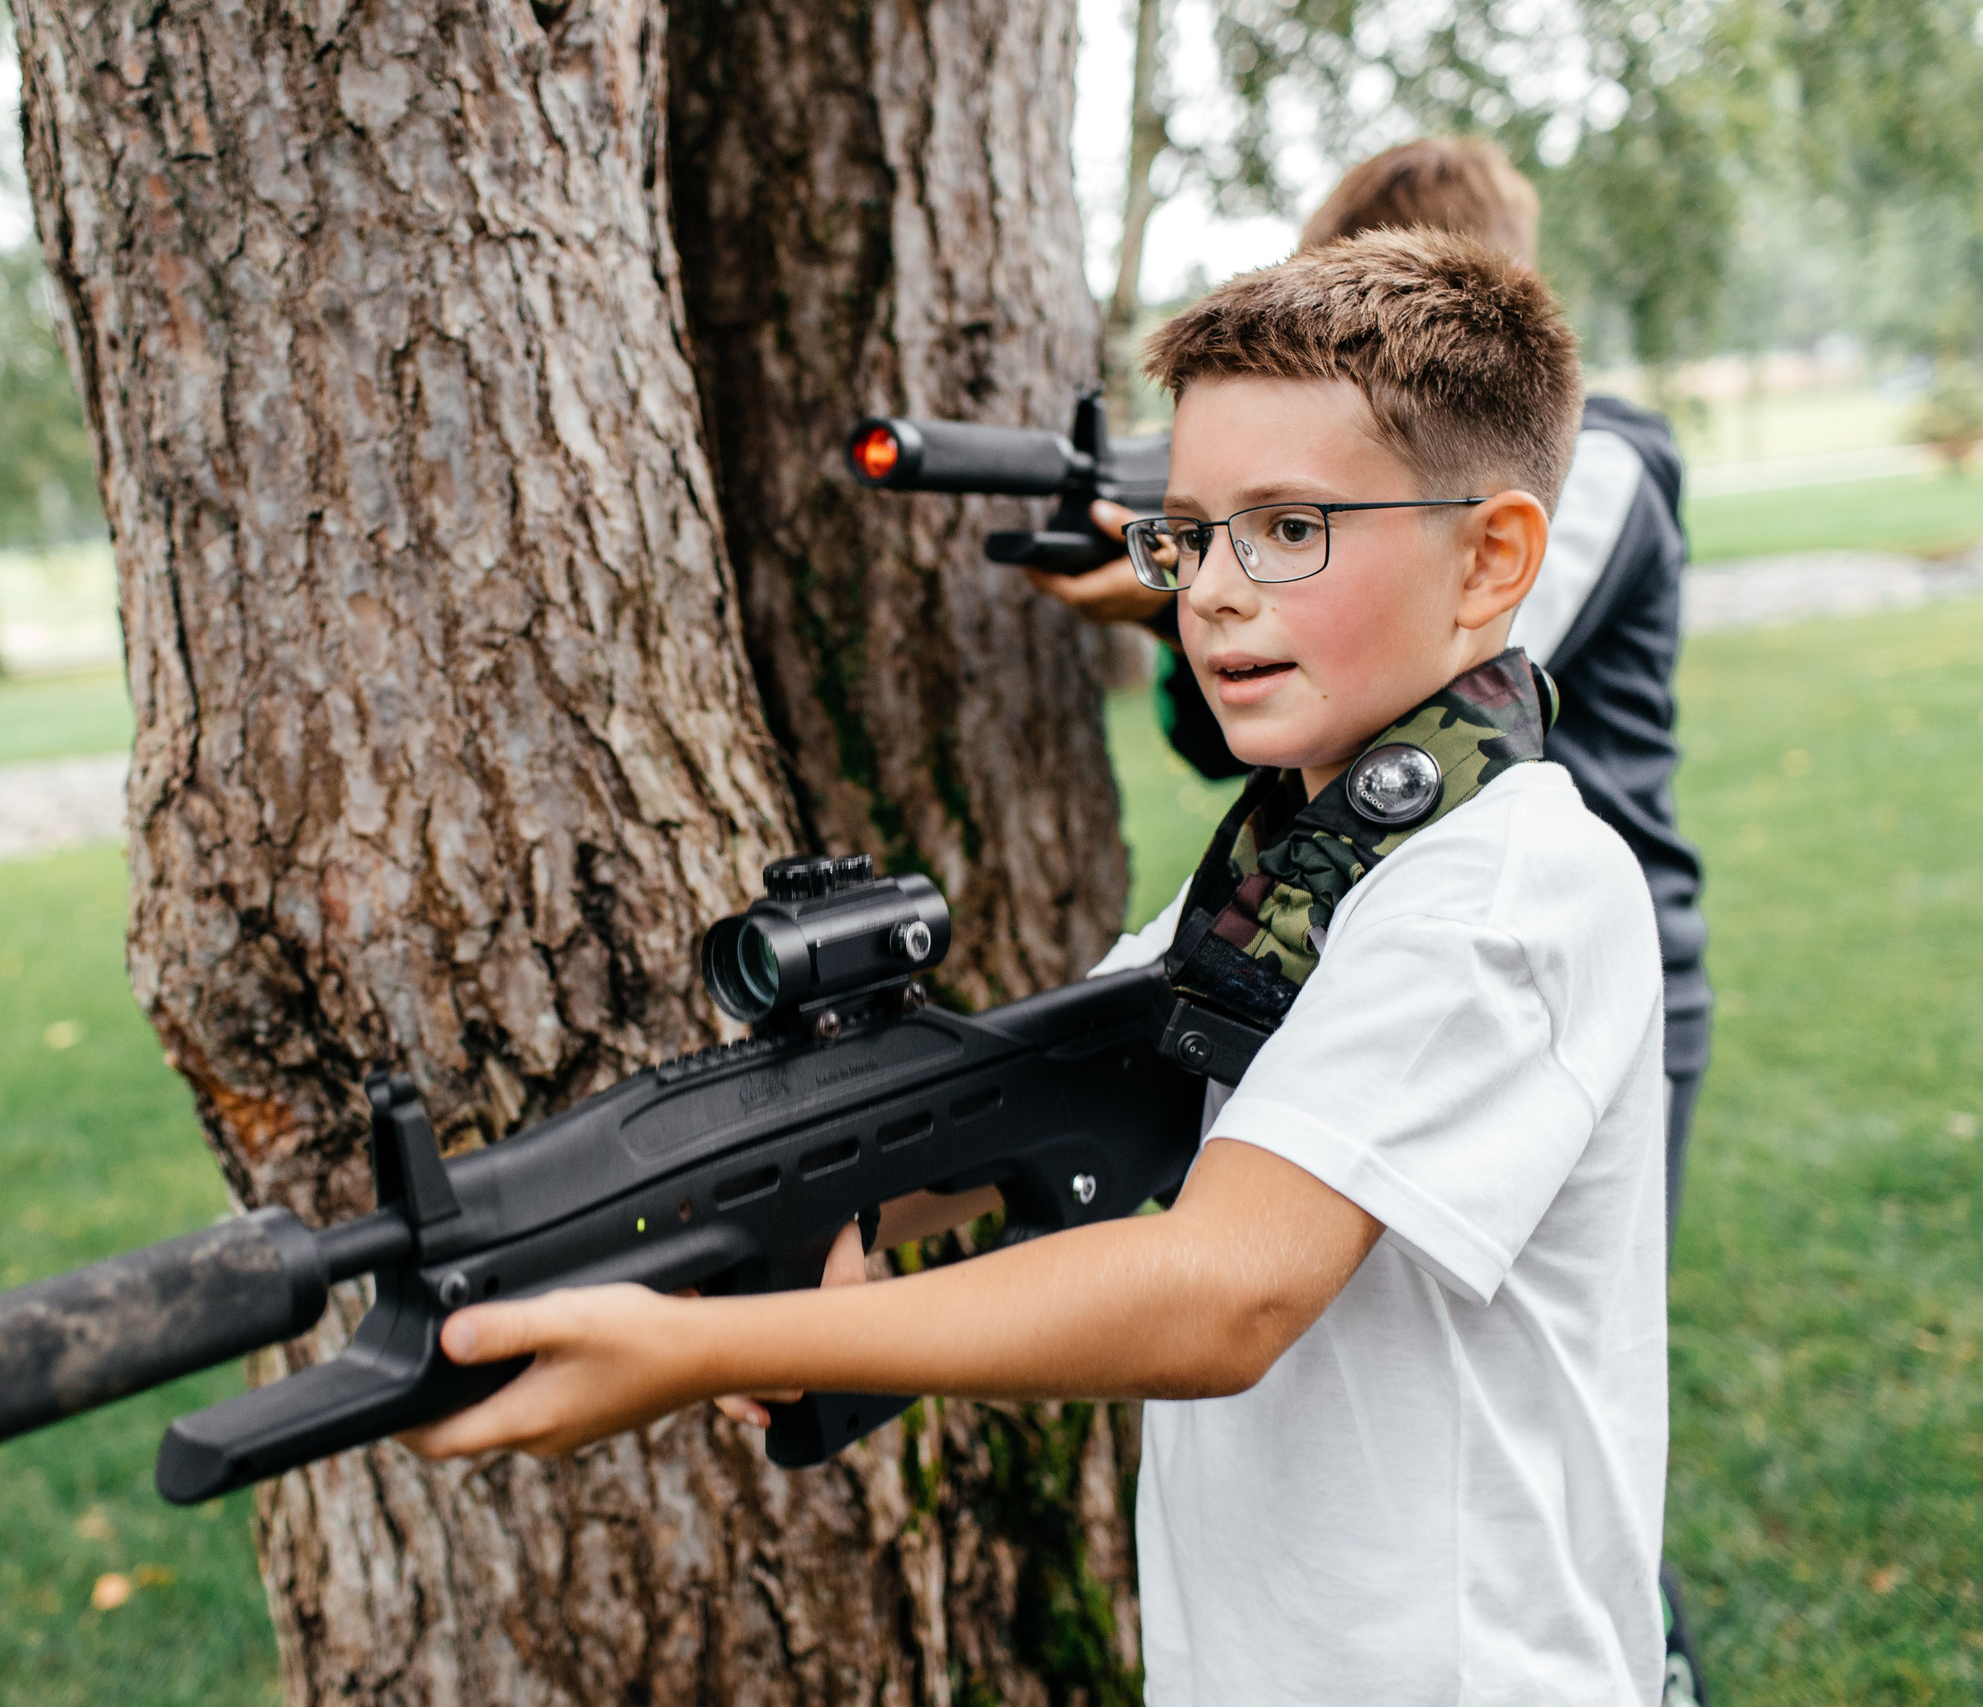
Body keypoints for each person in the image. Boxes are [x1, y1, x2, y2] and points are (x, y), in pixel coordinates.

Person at [403, 230, 1671, 1706]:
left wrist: (720, 1344)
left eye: (1288, 528)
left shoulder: (1499, 889)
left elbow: (1223, 1290)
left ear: (1492, 558)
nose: (1211, 591)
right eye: (1187, 533)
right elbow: (1064, 1112)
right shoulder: (1301, 857)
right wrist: (779, 1232)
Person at [1037, 136, 1713, 1248]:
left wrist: (1216, 578)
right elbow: (1259, 723)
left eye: (1293, 523)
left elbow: (1477, 641)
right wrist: (1206, 588)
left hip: (1573, 947)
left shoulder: (1604, 465)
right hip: (1350, 887)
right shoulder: (1273, 845)